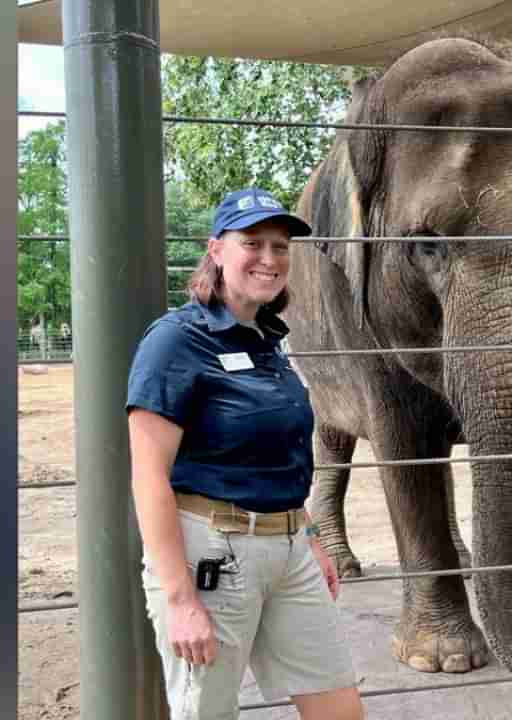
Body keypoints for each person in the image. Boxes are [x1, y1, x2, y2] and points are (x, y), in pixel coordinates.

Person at [126, 188, 364, 720]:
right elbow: (148, 478)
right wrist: (181, 599)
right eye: (251, 242)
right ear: (216, 250)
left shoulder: (268, 341)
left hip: (290, 551)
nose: (270, 258)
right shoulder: (175, 342)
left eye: (280, 246)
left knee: (339, 707)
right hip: (212, 553)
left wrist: (309, 538)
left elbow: (275, 457)